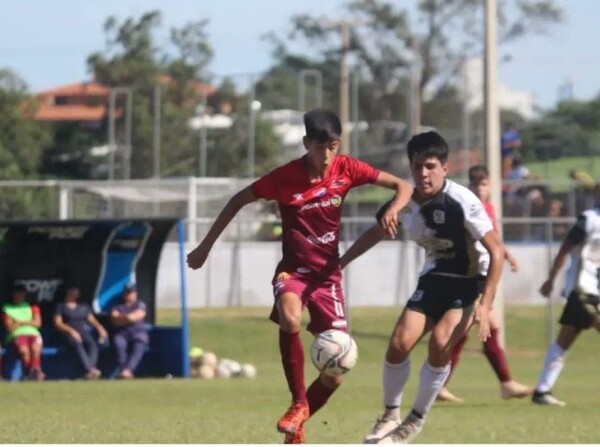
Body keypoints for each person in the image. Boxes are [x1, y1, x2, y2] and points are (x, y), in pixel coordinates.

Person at [186, 108, 413, 444]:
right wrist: (205, 246)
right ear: (306, 143)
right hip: (293, 272)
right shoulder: (284, 177)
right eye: (320, 147)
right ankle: (298, 403)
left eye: (333, 146)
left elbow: (402, 185)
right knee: (290, 319)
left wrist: (394, 207)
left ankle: (300, 422)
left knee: (336, 374)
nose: (326, 155)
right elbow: (238, 200)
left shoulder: (347, 168)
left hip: (327, 278)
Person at [339, 131, 505, 444]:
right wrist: (341, 262)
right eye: (417, 167)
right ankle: (390, 415)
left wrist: (485, 302)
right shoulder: (407, 201)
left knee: (440, 343)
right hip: (435, 277)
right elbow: (376, 233)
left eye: (430, 166)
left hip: (471, 281)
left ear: (445, 167)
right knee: (399, 342)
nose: (423, 173)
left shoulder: (462, 201)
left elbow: (496, 251)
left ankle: (415, 420)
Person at [436, 165, 532, 403]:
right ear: (470, 186)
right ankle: (504, 383)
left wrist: (507, 257)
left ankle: (441, 383)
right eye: (476, 184)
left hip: (487, 274)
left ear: (490, 186)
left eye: (485, 184)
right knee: (481, 327)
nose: (480, 188)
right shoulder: (465, 207)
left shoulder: (488, 208)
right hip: (473, 275)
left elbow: (494, 241)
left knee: (474, 331)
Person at [531, 205, 600, 406]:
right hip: (581, 290)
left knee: (563, 342)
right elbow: (564, 250)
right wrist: (551, 279)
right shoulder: (588, 220)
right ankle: (542, 391)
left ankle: (542, 391)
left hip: (595, 291)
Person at [53, 285, 108, 379]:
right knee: (77, 342)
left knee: (92, 343)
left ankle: (92, 369)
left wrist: (100, 327)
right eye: (72, 290)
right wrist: (71, 331)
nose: (74, 293)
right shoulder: (61, 306)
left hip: (82, 330)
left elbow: (92, 320)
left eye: (76, 291)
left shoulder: (84, 306)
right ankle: (90, 369)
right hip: (68, 331)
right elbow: (58, 323)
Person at [2, 283, 45, 380]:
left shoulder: (33, 307)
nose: (19, 296)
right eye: (17, 294)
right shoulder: (7, 308)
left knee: (35, 348)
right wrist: (29, 322)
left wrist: (20, 322)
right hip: (17, 335)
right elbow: (9, 327)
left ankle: (35, 371)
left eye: (21, 294)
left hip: (33, 333)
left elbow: (37, 323)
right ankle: (30, 373)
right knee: (24, 351)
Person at [110, 283, 149, 379]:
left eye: (131, 292)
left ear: (135, 293)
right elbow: (114, 320)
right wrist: (128, 317)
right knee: (119, 344)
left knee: (140, 344)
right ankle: (125, 371)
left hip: (137, 332)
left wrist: (122, 318)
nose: (129, 294)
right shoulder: (118, 305)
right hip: (121, 333)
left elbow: (136, 316)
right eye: (127, 292)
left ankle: (128, 370)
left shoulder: (140, 304)